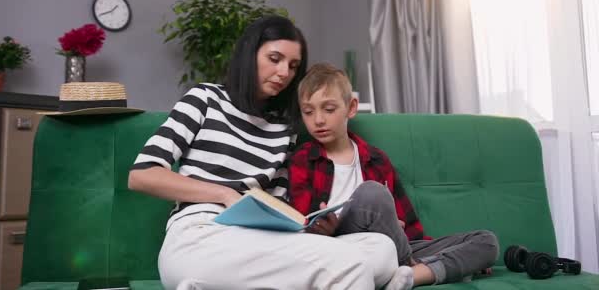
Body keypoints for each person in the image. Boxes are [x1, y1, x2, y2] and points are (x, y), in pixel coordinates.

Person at [129, 16, 403, 290]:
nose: (284, 72)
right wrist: (224, 194)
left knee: (382, 248)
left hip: (266, 241)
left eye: (293, 66)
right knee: (349, 264)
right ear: (250, 54)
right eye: (275, 58)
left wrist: (315, 226)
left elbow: (282, 202)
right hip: (202, 235)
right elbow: (142, 175)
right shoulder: (205, 99)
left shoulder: (285, 128)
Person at [289, 63, 500, 290]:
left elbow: (409, 229)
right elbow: (302, 220)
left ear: (351, 107)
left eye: (329, 109)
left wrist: (392, 224)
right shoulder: (303, 159)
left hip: (395, 245)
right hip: (340, 244)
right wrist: (329, 228)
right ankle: (417, 267)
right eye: (308, 112)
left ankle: (412, 274)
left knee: (486, 242)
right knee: (372, 194)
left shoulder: (377, 159)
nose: (318, 120)